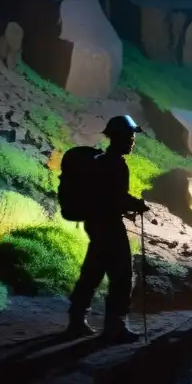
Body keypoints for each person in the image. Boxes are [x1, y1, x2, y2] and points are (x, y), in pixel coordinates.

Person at [67, 115, 149, 343]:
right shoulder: (115, 164)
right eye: (130, 136)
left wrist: (129, 202)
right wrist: (136, 204)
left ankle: (76, 321)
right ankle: (115, 325)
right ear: (119, 137)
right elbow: (115, 197)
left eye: (133, 137)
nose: (133, 141)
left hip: (95, 223)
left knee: (92, 273)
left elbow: (107, 194)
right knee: (122, 276)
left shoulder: (100, 161)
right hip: (109, 226)